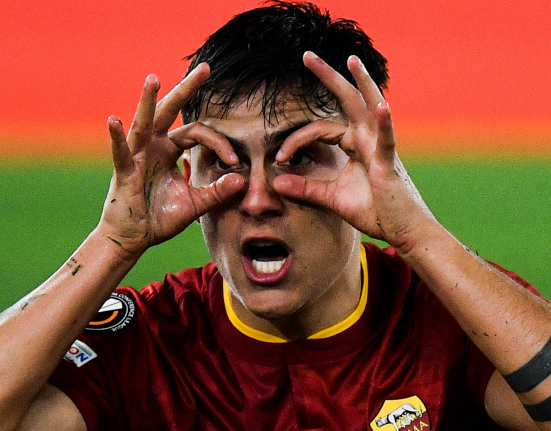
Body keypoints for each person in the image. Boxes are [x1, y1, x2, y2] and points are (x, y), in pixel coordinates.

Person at [2, 1, 551, 430]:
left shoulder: (449, 325)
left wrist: (417, 234)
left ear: (364, 166)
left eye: (303, 157)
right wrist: (113, 243)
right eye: (223, 161)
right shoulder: (146, 341)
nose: (258, 198)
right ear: (188, 172)